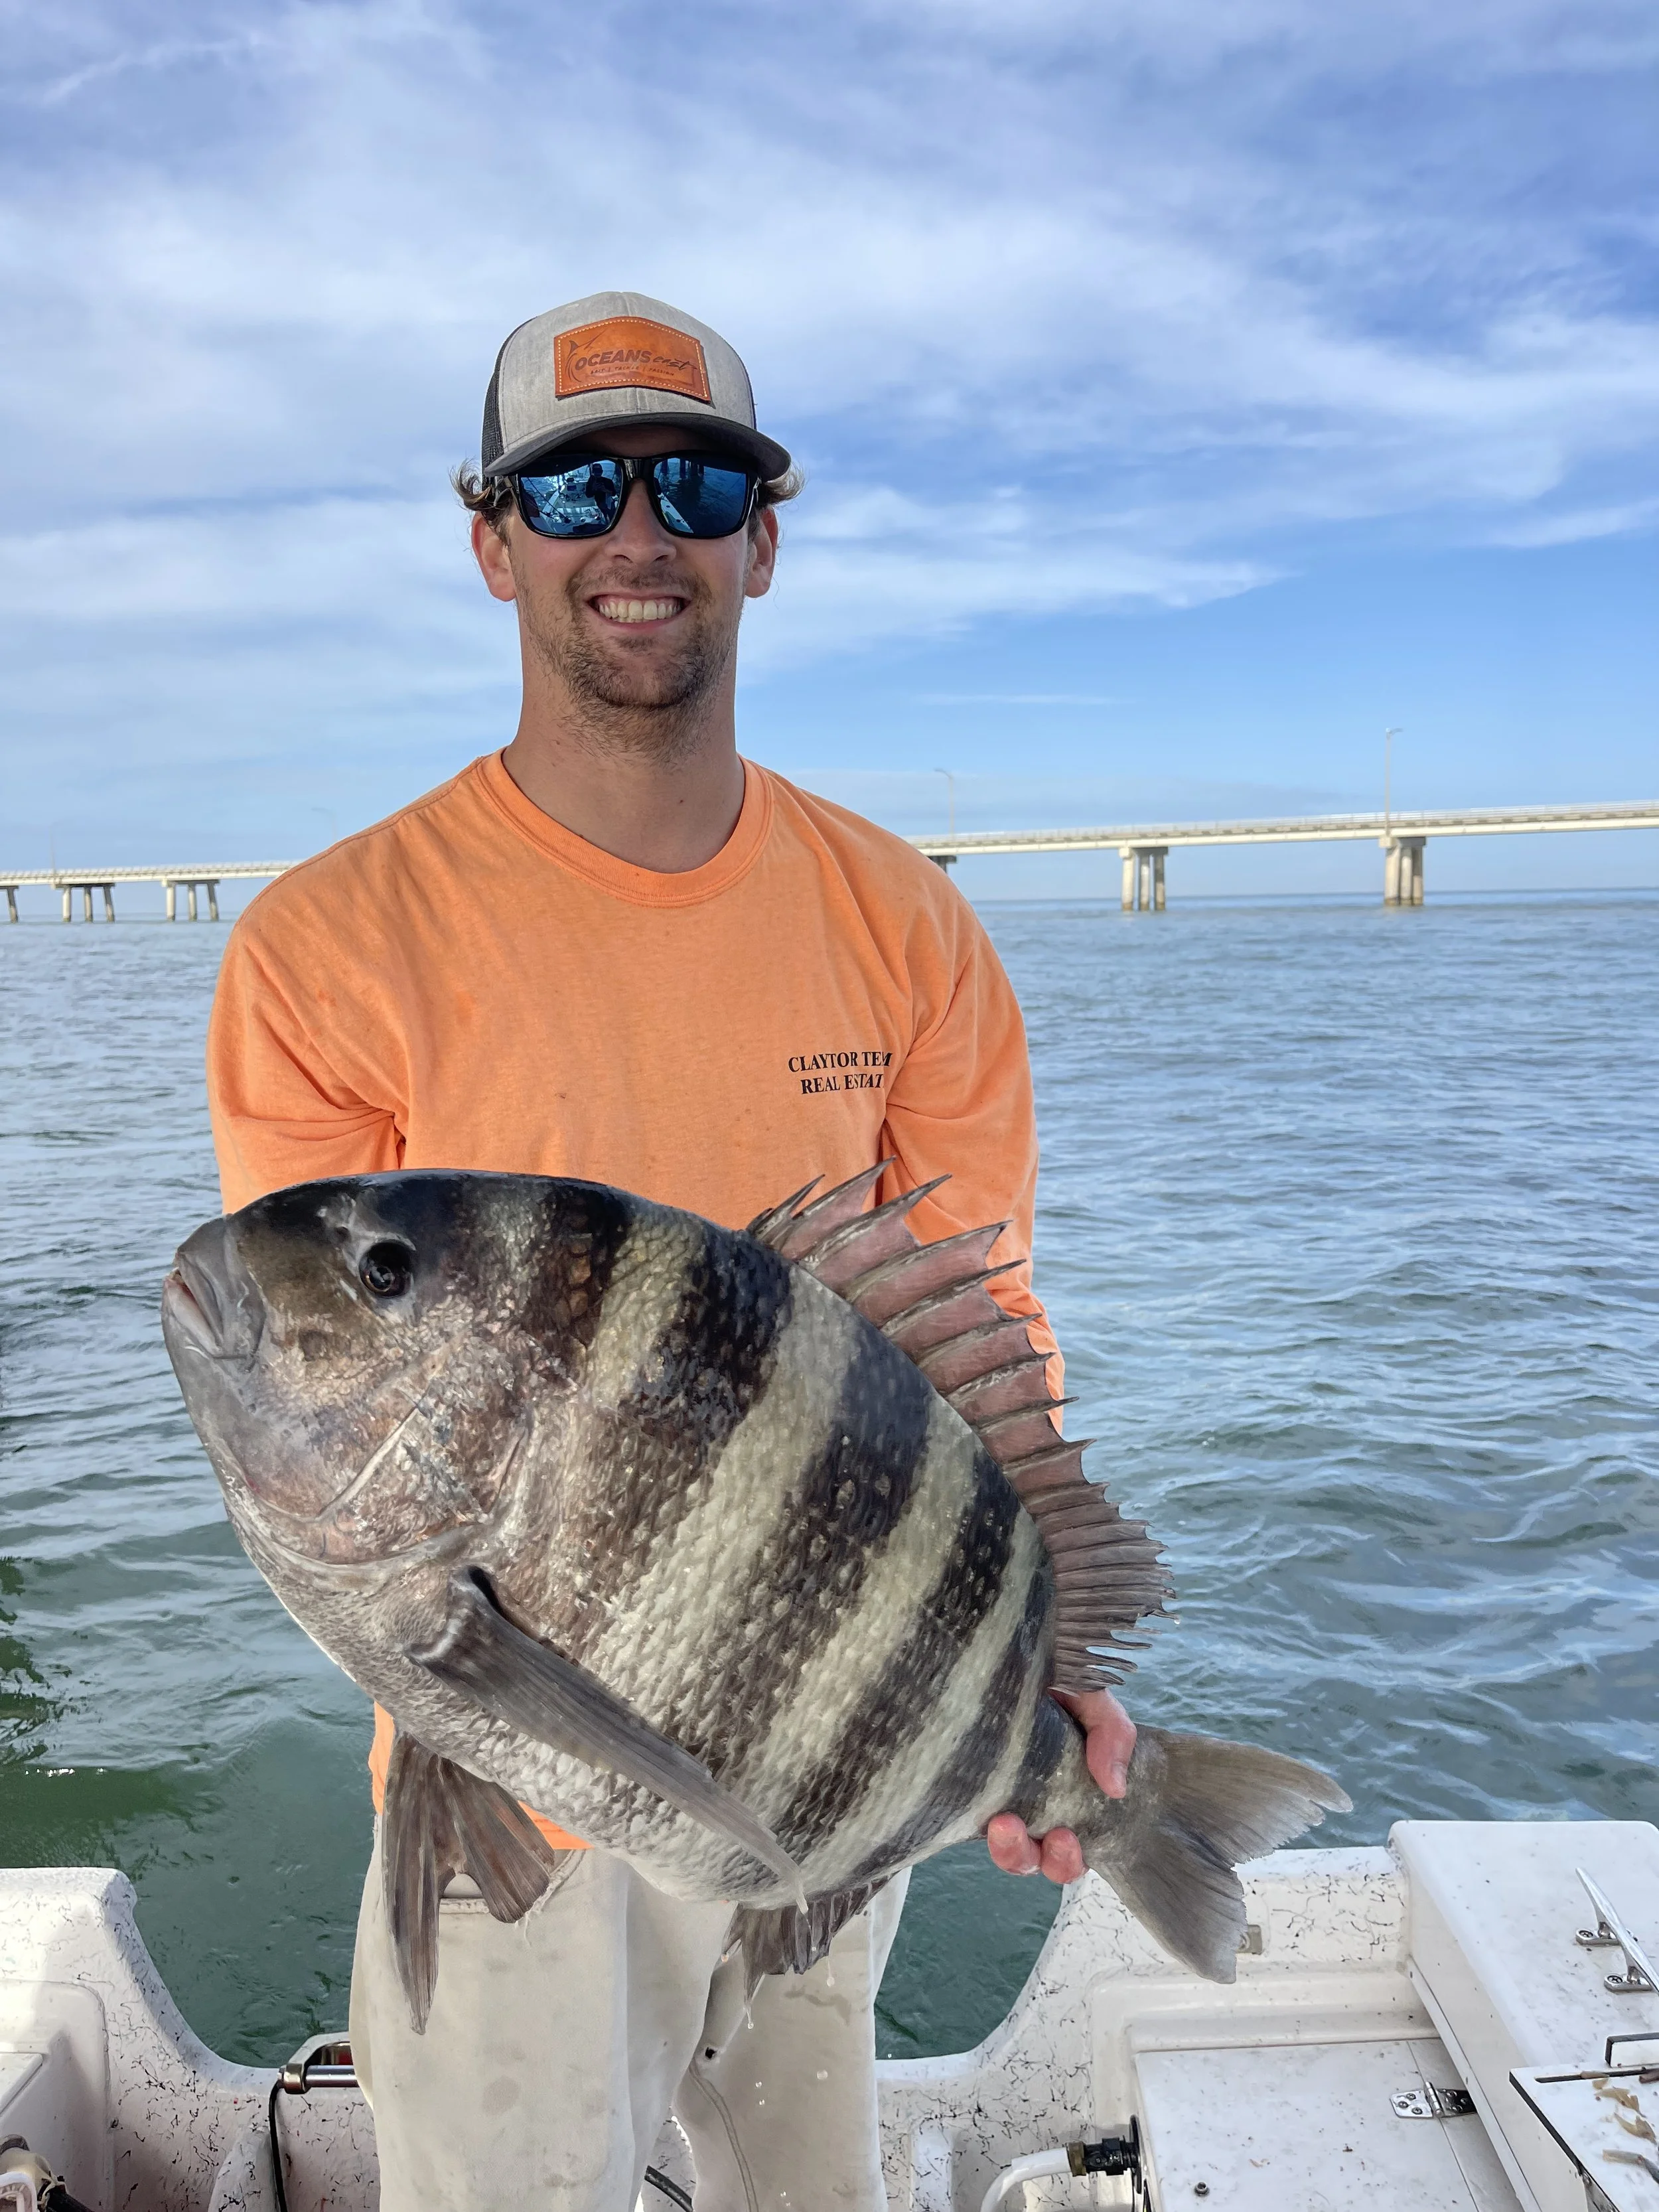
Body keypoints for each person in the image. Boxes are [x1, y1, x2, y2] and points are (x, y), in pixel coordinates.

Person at [205, 291, 1137, 2212]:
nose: (636, 531)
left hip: (823, 1746)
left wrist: (1036, 1674)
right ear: (493, 542)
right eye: (572, 487)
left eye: (693, 481)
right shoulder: (321, 946)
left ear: (759, 540)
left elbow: (975, 1325)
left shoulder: (909, 926)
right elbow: (318, 1398)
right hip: (517, 1783)